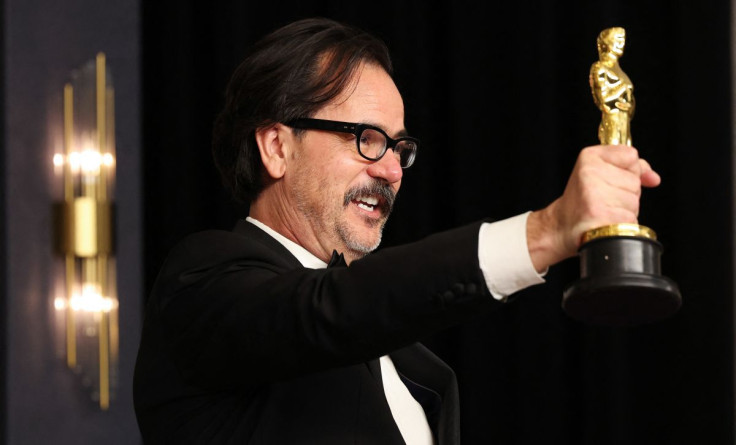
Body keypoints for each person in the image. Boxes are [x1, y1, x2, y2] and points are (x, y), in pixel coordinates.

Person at [133, 18, 660, 444]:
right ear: (276, 147)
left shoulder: (414, 365)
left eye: (399, 148)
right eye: (364, 138)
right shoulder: (201, 282)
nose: (391, 171)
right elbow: (329, 311)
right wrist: (546, 232)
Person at [590, 27, 635, 146]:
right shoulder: (599, 68)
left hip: (624, 122)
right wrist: (623, 88)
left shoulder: (621, 72)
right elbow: (603, 100)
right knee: (613, 154)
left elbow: (630, 101)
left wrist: (629, 106)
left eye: (623, 40)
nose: (621, 43)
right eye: (618, 39)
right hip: (612, 121)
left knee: (627, 156)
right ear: (607, 42)